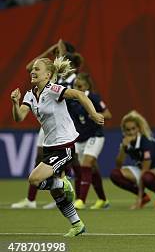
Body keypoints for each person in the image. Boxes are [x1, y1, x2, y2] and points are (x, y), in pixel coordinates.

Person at [11, 56, 104, 237]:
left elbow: (78, 94)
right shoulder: (30, 95)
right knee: (56, 192)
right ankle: (77, 225)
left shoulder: (53, 89)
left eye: (37, 69)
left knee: (34, 179)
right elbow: (19, 117)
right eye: (33, 69)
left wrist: (92, 113)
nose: (33, 71)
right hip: (49, 146)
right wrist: (15, 103)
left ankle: (63, 183)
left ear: (48, 75)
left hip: (65, 145)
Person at [11, 40, 80, 209]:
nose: (56, 51)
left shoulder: (68, 74)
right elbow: (30, 68)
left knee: (70, 160)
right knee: (42, 159)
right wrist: (47, 51)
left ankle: (68, 189)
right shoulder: (42, 72)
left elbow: (76, 95)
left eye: (59, 49)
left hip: (62, 121)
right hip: (47, 121)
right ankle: (33, 198)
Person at [110, 110, 155, 210]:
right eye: (128, 130)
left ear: (138, 129)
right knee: (115, 174)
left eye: (133, 129)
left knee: (146, 177)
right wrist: (123, 148)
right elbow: (118, 165)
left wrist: (138, 201)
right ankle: (145, 197)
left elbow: (145, 170)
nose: (131, 132)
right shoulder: (126, 142)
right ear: (124, 131)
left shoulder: (146, 142)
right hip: (143, 171)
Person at [71, 73, 112, 209]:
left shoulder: (93, 98)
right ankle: (103, 200)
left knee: (86, 165)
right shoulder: (71, 100)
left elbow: (108, 114)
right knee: (90, 169)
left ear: (87, 86)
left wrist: (94, 115)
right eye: (75, 86)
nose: (76, 88)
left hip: (95, 136)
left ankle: (81, 200)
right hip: (80, 138)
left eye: (79, 86)